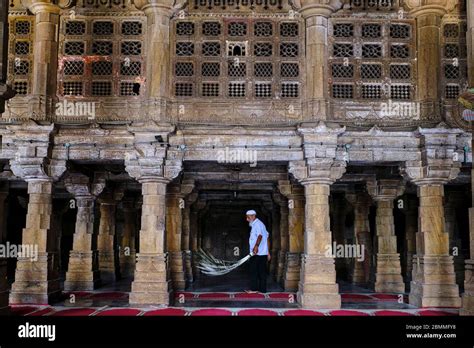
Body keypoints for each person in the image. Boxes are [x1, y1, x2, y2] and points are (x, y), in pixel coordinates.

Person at [245, 210, 270, 293]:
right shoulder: (259, 224)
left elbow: (260, 236)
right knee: (260, 271)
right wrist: (268, 252)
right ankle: (262, 290)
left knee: (254, 271)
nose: (247, 219)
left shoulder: (258, 224)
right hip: (261, 253)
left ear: (253, 216)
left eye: (248, 217)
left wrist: (256, 246)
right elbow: (267, 237)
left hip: (257, 253)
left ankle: (254, 289)